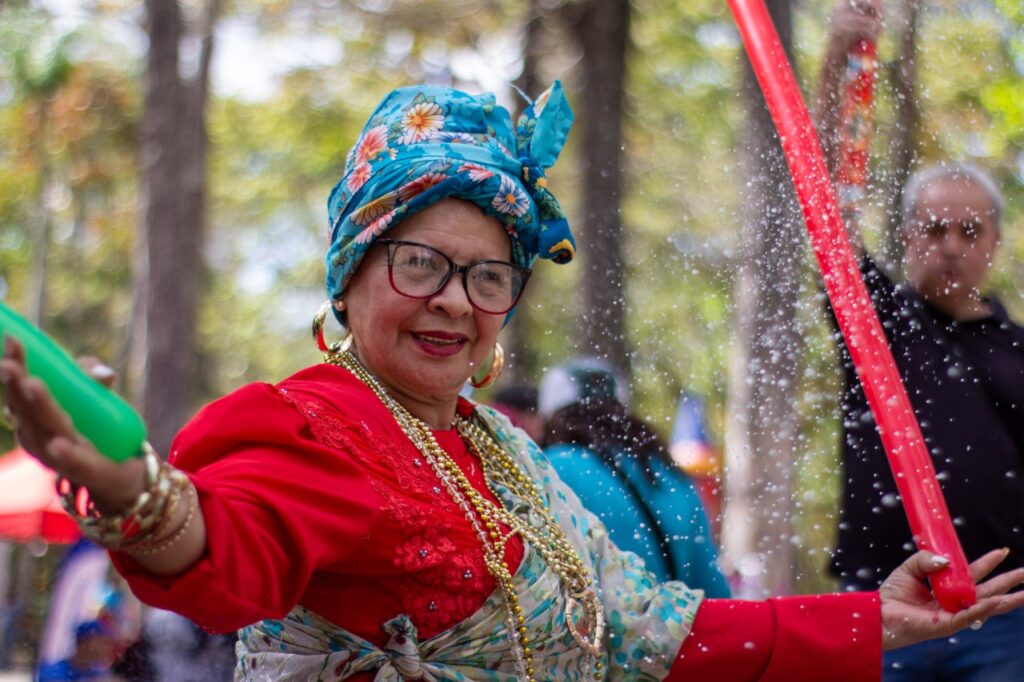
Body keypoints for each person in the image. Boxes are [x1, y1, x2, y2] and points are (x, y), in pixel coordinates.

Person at [2, 82, 1023, 682]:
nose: (453, 299)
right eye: (418, 263)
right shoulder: (317, 422)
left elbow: (649, 633)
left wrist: (870, 621)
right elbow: (228, 555)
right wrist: (141, 500)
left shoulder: (508, 454)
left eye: (487, 273)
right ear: (349, 279)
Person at [816, 3, 1024, 680]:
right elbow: (824, 196)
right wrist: (838, 61)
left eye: (969, 231)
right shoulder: (875, 323)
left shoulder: (1018, 349)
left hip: (1004, 617)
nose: (951, 247)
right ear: (907, 238)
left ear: (994, 242)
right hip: (882, 605)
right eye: (933, 229)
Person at [539, 358, 730, 595]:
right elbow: (712, 588)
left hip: (591, 630)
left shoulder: (550, 467)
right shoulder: (669, 474)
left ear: (550, 417)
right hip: (671, 629)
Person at [38, 620, 119, 682]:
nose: (107, 648)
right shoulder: (54, 674)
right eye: (103, 642)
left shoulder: (101, 675)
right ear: (86, 642)